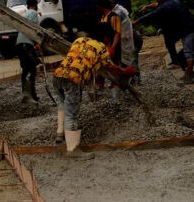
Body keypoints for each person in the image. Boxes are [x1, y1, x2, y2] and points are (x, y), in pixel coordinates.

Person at [52, 23, 138, 157]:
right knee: (72, 115)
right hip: (73, 80)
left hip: (58, 76)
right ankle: (72, 150)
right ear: (105, 38)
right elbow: (111, 68)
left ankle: (60, 133)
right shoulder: (101, 48)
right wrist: (125, 71)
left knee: (63, 103)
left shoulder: (79, 40)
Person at [134, 0, 194, 83]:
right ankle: (185, 69)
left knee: (188, 51)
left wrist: (137, 21)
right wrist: (147, 6)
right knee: (179, 46)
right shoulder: (172, 2)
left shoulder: (166, 6)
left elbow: (153, 14)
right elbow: (156, 5)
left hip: (187, 29)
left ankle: (188, 76)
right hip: (186, 28)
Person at [15, 0, 40, 103]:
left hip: (19, 44)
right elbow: (34, 28)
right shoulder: (34, 13)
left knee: (26, 69)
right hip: (27, 44)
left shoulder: (24, 14)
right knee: (32, 69)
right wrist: (37, 42)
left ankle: (28, 95)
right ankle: (30, 96)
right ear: (35, 5)